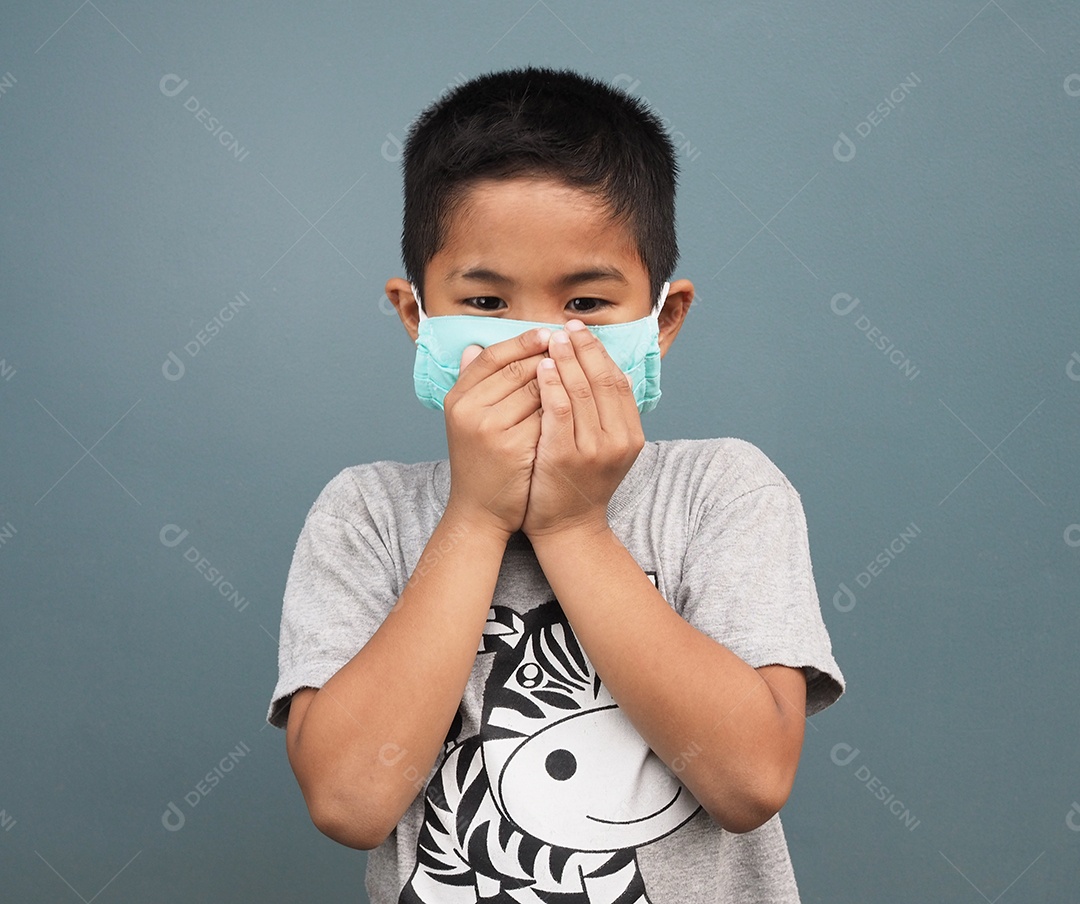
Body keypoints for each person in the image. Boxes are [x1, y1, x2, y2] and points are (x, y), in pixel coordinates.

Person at [267, 65, 844, 903]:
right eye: (488, 302)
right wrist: (474, 516)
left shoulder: (726, 491)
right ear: (415, 317)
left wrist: (574, 528)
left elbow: (750, 780)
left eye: (584, 301)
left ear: (663, 320)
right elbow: (351, 800)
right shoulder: (366, 515)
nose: (540, 343)